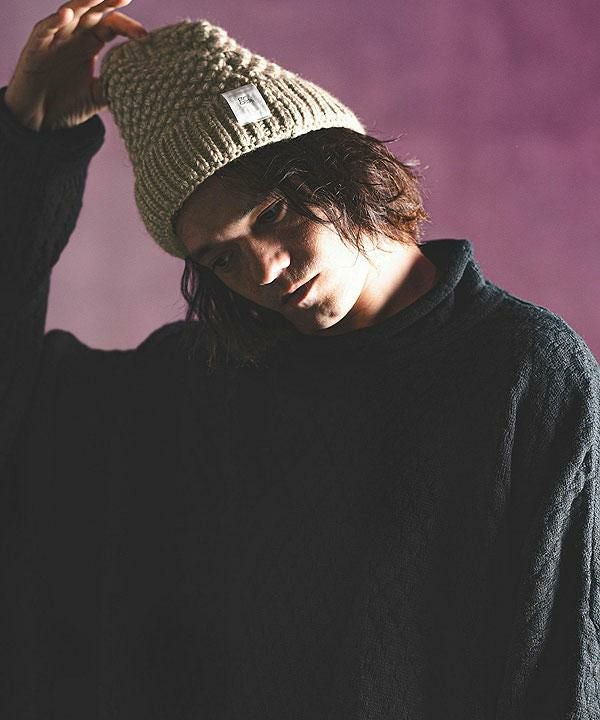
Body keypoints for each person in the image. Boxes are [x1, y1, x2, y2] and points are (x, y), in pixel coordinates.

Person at [1, 1, 598, 718]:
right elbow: (16, 410)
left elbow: (561, 660)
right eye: (221, 257)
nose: (263, 270)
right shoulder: (204, 379)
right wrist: (29, 145)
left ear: (342, 169)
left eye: (270, 214)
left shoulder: (524, 370)